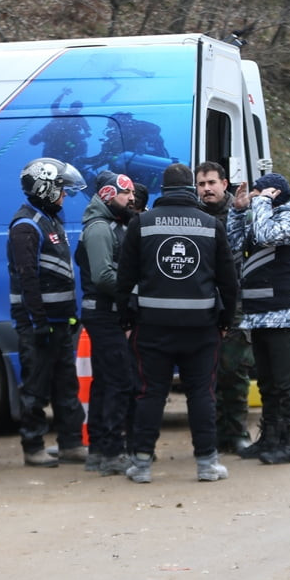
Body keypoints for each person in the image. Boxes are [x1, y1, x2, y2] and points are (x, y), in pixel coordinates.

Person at [115, 163, 239, 483]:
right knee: (201, 394)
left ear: (162, 189)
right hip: (202, 328)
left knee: (150, 394)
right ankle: (207, 464)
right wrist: (225, 321)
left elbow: (123, 279)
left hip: (152, 327)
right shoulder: (211, 225)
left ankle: (141, 464)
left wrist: (126, 320)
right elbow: (229, 282)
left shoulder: (141, 224)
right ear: (190, 189)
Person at [227, 172, 290, 465]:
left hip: (285, 313)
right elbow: (235, 245)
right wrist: (239, 211)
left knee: (286, 383)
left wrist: (262, 202)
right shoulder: (264, 215)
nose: (254, 201)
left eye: (258, 195)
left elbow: (266, 235)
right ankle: (270, 438)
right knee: (267, 383)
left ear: (273, 195)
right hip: (259, 314)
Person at [7, 157, 88, 467]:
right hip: (37, 324)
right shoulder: (26, 226)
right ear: (45, 189)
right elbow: (27, 278)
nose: (64, 196)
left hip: (60, 321)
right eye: (61, 190)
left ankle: (70, 444)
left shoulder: (50, 219)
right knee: (36, 388)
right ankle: (33, 446)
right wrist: (38, 321)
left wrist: (69, 315)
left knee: (66, 386)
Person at [74, 171, 136, 475]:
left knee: (104, 382)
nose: (132, 199)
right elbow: (103, 276)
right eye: (126, 194)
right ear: (109, 194)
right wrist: (136, 292)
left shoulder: (108, 225)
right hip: (103, 313)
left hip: (103, 313)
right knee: (119, 381)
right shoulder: (99, 228)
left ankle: (98, 451)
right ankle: (111, 452)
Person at [195, 160, 254, 454]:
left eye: (211, 183)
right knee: (208, 372)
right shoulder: (193, 216)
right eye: (201, 184)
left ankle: (237, 431)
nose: (207, 189)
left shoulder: (241, 212)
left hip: (236, 302)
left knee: (235, 369)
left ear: (224, 183)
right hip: (203, 301)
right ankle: (215, 434)